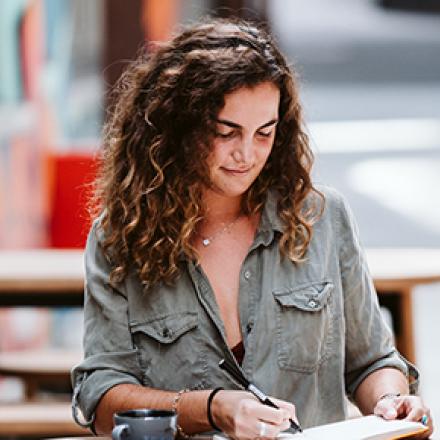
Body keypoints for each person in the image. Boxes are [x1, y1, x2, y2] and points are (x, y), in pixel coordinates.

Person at [71, 18, 433, 439]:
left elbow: (372, 362)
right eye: (226, 133)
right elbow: (100, 399)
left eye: (265, 133)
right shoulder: (122, 236)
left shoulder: (322, 218)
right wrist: (210, 408)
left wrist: (391, 401)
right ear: (179, 128)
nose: (246, 154)